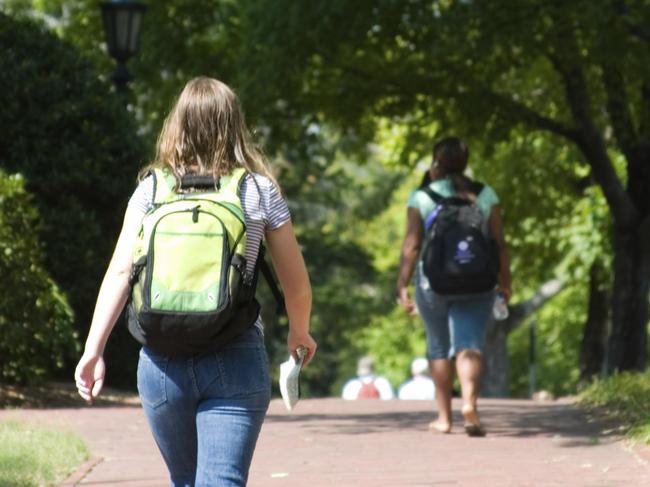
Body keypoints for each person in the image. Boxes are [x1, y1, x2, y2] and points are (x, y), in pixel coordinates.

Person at [74, 77, 317, 486]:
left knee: (183, 480)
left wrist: (92, 349)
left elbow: (120, 272)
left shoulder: (151, 189)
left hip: (160, 360)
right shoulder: (258, 190)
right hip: (235, 353)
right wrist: (299, 331)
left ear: (176, 124)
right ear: (235, 124)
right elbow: (296, 284)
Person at [396, 137, 511, 436]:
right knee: (469, 344)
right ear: (465, 160)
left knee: (438, 348)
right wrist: (506, 282)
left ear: (436, 163)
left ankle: (444, 418)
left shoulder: (422, 195)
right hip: (479, 281)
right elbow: (499, 243)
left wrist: (402, 285)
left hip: (433, 282)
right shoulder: (484, 194)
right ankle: (469, 404)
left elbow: (412, 245)